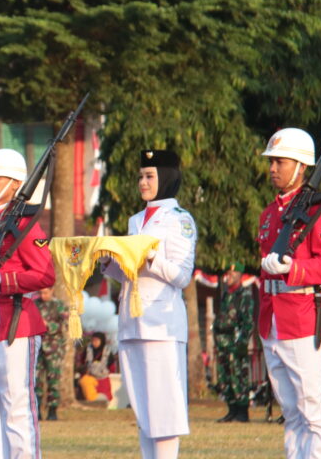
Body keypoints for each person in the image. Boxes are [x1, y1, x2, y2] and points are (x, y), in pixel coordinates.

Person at [102, 149, 196, 459]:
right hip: (131, 321)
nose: (143, 182)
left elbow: (182, 276)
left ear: (166, 178)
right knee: (143, 412)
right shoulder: (135, 220)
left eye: (150, 175)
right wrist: (107, 263)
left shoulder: (180, 220)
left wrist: (153, 257)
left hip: (162, 325)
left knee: (164, 412)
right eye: (141, 176)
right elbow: (132, 273)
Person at [256, 128, 321, 459]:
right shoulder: (269, 214)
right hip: (274, 320)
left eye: (280, 161)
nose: (273, 168)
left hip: (306, 319)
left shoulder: (320, 211)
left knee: (316, 414)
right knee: (291, 415)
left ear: (302, 166)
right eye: (272, 161)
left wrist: (292, 269)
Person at [0, 147, 54, 459]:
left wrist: (5, 281)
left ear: (14, 184)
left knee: (16, 405)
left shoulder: (24, 224)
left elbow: (44, 273)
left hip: (16, 322)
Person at [215, 262, 255, 423]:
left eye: (232, 274)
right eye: (227, 274)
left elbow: (248, 322)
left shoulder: (244, 295)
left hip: (236, 342)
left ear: (239, 276)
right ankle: (231, 409)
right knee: (224, 377)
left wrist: (242, 343)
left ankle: (242, 411)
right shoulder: (226, 294)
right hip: (223, 342)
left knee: (238, 376)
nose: (228, 277)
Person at [34, 286, 69, 421]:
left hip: (54, 348)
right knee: (36, 379)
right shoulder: (35, 305)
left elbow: (66, 324)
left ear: (52, 291)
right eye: (40, 292)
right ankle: (36, 410)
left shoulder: (59, 305)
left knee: (53, 379)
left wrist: (48, 325)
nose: (43, 295)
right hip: (38, 347)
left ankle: (52, 410)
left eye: (46, 292)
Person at [75, 332, 112, 403]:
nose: (94, 343)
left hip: (103, 379)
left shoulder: (107, 351)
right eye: (93, 340)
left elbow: (111, 366)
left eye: (97, 340)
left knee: (104, 398)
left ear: (102, 341)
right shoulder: (88, 349)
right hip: (90, 377)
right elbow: (82, 361)